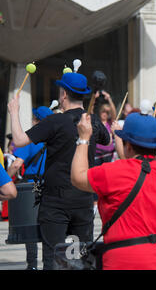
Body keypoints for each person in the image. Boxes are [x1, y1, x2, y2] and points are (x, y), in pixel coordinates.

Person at [8, 72, 110, 270]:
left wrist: (14, 111)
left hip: (56, 202)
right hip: (83, 199)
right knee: (82, 260)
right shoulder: (92, 121)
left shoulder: (55, 121)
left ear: (63, 94)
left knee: (53, 259)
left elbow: (19, 140)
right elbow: (107, 139)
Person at [71, 112, 156, 270]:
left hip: (128, 259)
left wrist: (83, 138)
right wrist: (153, 137)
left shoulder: (115, 171)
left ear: (128, 146)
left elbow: (77, 177)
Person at [7, 106, 53, 270]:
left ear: (36, 121)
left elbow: (17, 164)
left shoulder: (31, 139)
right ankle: (50, 263)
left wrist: (6, 177)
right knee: (50, 226)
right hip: (51, 185)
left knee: (31, 225)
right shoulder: (56, 138)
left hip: (32, 186)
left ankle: (32, 265)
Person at [94, 91, 117, 166]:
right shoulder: (96, 121)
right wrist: (94, 98)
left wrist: (109, 98)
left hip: (108, 154)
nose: (105, 114)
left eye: (107, 112)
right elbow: (90, 111)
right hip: (97, 154)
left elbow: (114, 112)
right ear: (100, 111)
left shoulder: (110, 123)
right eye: (103, 111)